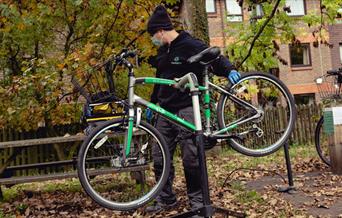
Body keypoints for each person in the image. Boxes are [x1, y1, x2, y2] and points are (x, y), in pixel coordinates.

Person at [145, 5, 241, 214]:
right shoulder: (163, 52)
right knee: (159, 156)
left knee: (191, 157)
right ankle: (165, 199)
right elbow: (159, 81)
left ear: (161, 31)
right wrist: (153, 103)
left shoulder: (189, 44)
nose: (153, 39)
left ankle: (197, 202)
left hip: (187, 107)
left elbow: (213, 57)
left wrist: (230, 69)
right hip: (165, 110)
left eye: (153, 35)